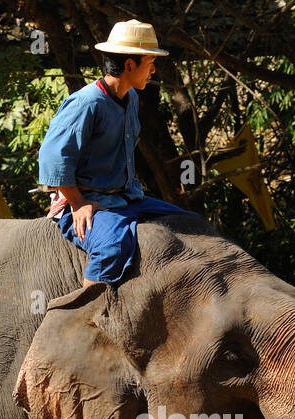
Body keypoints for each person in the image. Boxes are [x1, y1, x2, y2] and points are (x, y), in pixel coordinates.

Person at [37, 19, 195, 288]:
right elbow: (53, 158)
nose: (154, 70)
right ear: (130, 65)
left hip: (127, 199)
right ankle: (84, 320)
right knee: (111, 249)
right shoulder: (86, 102)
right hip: (88, 200)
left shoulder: (131, 98)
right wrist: (77, 203)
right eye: (150, 62)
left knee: (190, 223)